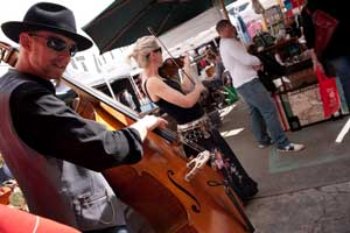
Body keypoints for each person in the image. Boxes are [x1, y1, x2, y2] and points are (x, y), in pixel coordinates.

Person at [0, 3, 166, 233]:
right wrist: (142, 126)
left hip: (59, 217)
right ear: (26, 41)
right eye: (56, 44)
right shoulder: (29, 97)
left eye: (71, 49)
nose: (65, 56)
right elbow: (103, 148)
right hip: (89, 219)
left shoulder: (6, 89)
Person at [129, 35, 258, 203]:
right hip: (194, 133)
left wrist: (187, 66)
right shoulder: (152, 82)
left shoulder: (158, 77)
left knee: (222, 161)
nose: (162, 55)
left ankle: (241, 193)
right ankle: (235, 199)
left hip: (200, 128)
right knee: (217, 166)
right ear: (153, 54)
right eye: (159, 51)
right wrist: (198, 88)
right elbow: (187, 101)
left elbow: (184, 88)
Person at [216, 20, 305, 152]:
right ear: (225, 30)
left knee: (255, 111)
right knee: (269, 110)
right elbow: (246, 59)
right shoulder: (229, 44)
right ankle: (282, 143)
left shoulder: (226, 43)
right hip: (248, 82)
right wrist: (259, 61)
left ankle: (263, 139)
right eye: (231, 27)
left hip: (242, 83)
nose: (234, 29)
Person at [301, 0, 350, 108]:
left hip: (333, 52)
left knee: (347, 81)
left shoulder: (308, 9)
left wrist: (315, 60)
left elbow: (310, 39)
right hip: (342, 46)